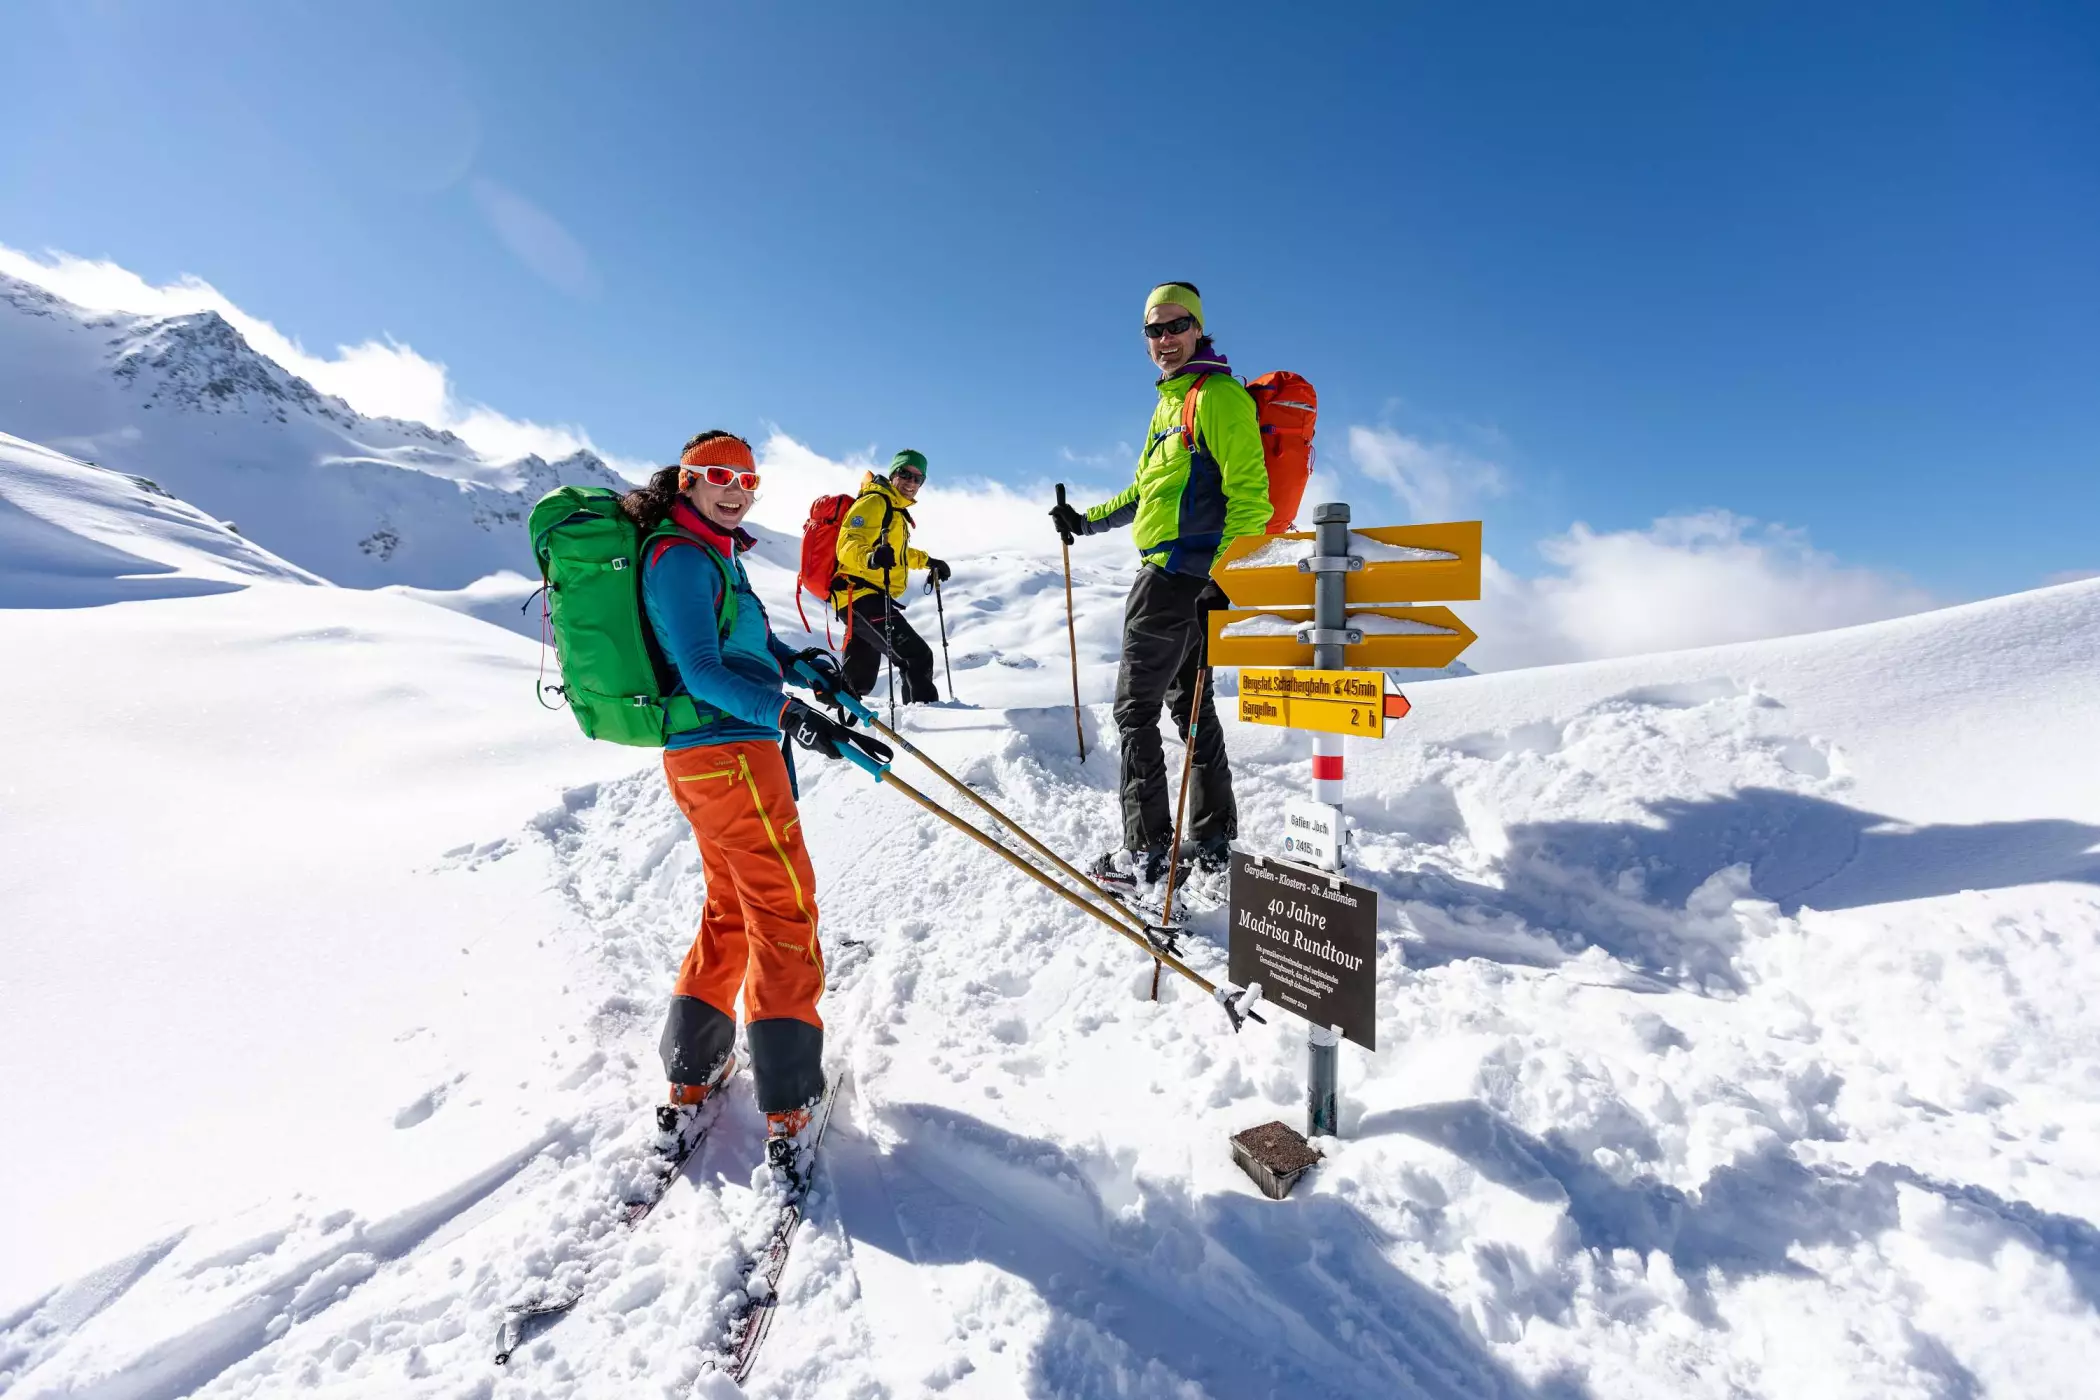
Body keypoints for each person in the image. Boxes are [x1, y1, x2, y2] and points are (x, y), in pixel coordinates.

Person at [625, 430, 889, 1165]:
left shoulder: (709, 551)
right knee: (783, 907)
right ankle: (788, 1090)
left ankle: (694, 1068)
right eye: (718, 475)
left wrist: (804, 671)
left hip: (713, 756)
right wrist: (785, 714)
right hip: (729, 753)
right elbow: (703, 670)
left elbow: (745, 649)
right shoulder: (679, 556)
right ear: (687, 480)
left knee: (733, 904)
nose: (736, 488)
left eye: (748, 477)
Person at [1050, 282, 1270, 883]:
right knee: (1188, 707)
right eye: (1154, 330)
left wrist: (1220, 579)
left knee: (1134, 710)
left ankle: (1145, 853)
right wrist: (1087, 521)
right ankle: (1213, 839)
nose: (1165, 339)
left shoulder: (1218, 397)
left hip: (1178, 578)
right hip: (1187, 581)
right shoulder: (1170, 405)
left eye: (1176, 326)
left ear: (1198, 329)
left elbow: (1252, 499)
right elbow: (1147, 490)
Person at [831, 449, 951, 704]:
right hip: (860, 595)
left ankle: (840, 720)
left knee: (858, 680)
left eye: (918, 479)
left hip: (863, 598)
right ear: (893, 473)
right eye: (905, 474)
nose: (911, 482)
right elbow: (848, 543)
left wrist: (928, 561)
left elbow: (898, 553)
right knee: (916, 657)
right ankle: (927, 720)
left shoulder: (895, 510)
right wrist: (870, 558)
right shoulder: (875, 501)